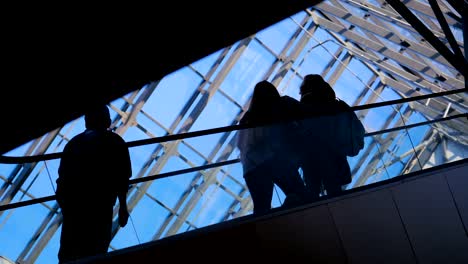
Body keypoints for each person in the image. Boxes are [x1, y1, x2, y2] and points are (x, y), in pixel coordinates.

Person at [55, 105, 132, 263]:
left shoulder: (73, 144)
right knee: (95, 251)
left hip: (74, 210)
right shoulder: (116, 142)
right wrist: (123, 207)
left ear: (86, 121)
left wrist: (65, 204)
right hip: (101, 208)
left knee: (68, 253)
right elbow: (122, 178)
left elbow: (63, 178)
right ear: (108, 121)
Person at [237, 80, 310, 215]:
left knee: (261, 208)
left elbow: (240, 144)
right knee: (302, 195)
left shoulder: (247, 118)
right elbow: (307, 116)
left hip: (252, 166)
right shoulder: (283, 104)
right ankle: (291, 210)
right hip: (278, 161)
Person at [297, 74, 365, 201]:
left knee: (313, 191)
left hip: (311, 154)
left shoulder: (304, 106)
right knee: (334, 189)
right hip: (334, 152)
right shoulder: (334, 103)